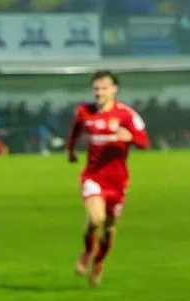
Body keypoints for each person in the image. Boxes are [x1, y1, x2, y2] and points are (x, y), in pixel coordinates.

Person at [66, 71, 149, 286]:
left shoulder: (126, 115)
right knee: (96, 219)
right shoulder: (85, 111)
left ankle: (99, 261)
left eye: (104, 88)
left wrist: (130, 137)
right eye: (96, 88)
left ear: (114, 89)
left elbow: (144, 141)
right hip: (93, 176)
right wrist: (71, 151)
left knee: (110, 229)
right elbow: (76, 130)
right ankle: (86, 253)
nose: (99, 92)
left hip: (117, 181)